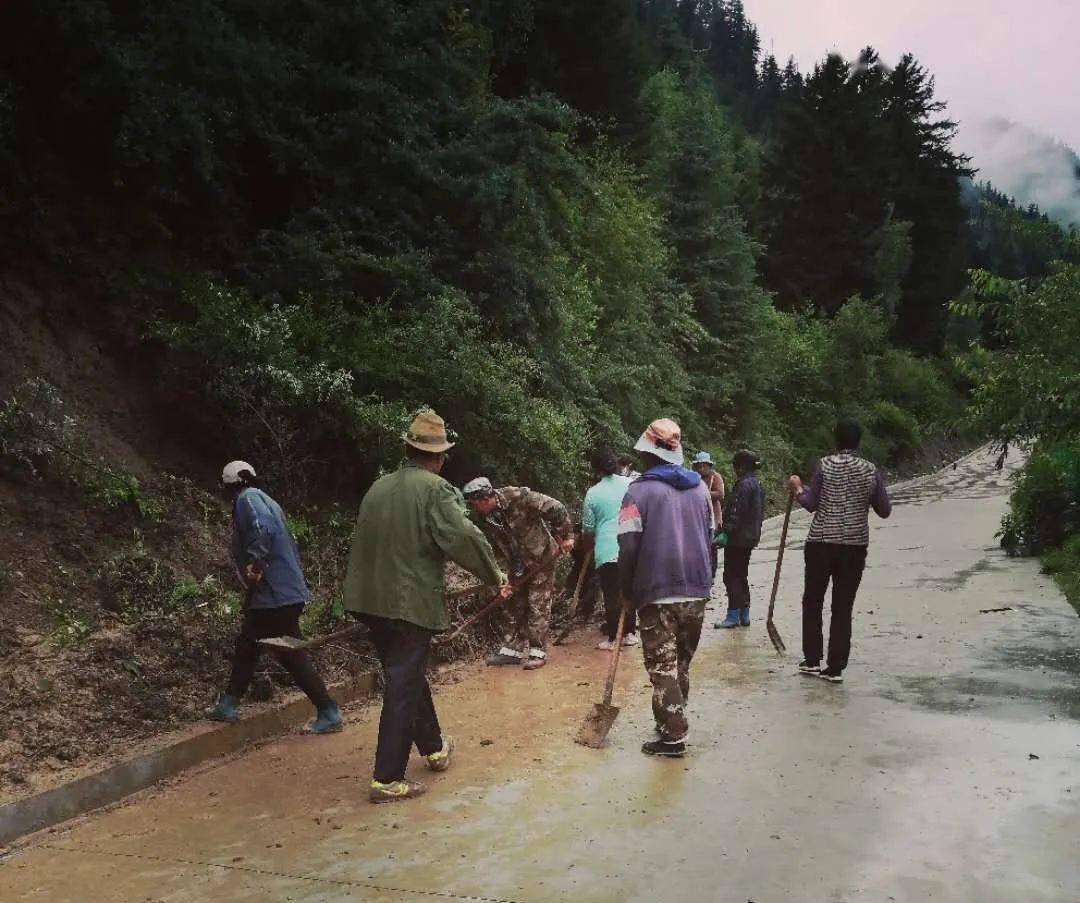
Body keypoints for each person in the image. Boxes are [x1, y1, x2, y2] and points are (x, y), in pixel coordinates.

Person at [342, 410, 511, 803]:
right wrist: (494, 575)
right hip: (407, 602)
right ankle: (387, 778)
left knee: (406, 673)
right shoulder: (435, 490)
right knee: (402, 682)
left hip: (368, 601)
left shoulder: (379, 487)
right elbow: (463, 537)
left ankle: (434, 747)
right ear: (440, 457)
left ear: (407, 449)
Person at [208, 461, 342, 735]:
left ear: (232, 485)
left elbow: (262, 528)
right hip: (280, 593)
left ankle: (328, 710)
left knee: (279, 651)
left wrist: (255, 562)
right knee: (251, 646)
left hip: (274, 594)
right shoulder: (268, 500)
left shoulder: (249, 499)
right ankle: (229, 704)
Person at [617, 419, 712, 758]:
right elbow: (709, 538)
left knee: (661, 668)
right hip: (697, 589)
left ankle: (673, 735)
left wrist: (626, 592)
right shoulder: (700, 488)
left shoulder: (637, 492)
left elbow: (627, 547)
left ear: (647, 454)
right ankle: (671, 716)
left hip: (657, 592)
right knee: (680, 665)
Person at [789, 417, 892, 684]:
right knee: (842, 606)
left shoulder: (825, 465)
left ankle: (812, 659)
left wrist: (799, 489)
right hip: (854, 546)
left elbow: (811, 504)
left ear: (836, 440)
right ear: (859, 441)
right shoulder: (871, 470)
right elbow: (884, 510)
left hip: (821, 542)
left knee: (813, 600)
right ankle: (835, 667)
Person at [463, 476, 575, 670]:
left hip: (541, 557)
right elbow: (496, 548)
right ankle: (513, 649)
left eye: (474, 504)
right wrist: (502, 577)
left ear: (484, 500)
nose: (473, 509)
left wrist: (565, 536)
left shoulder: (517, 496)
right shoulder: (485, 516)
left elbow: (555, 507)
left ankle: (537, 650)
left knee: (537, 603)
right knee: (512, 604)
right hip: (515, 563)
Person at [581, 449, 637, 650]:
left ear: (596, 469)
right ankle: (630, 633)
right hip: (631, 545)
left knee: (611, 594)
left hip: (606, 549)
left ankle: (614, 637)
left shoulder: (593, 493)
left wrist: (589, 548)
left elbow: (588, 529)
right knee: (628, 590)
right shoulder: (630, 485)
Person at [714, 450, 766, 629]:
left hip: (738, 539)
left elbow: (736, 512)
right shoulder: (758, 484)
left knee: (731, 576)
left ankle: (733, 615)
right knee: (742, 574)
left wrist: (725, 532)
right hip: (751, 537)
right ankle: (745, 614)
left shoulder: (743, 485)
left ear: (742, 467)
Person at [691, 451, 725, 579]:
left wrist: (703, 493)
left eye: (704, 466)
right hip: (697, 517)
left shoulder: (715, 477)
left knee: (712, 547)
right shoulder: (693, 477)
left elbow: (720, 494)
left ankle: (711, 574)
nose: (702, 469)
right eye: (699, 466)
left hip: (713, 519)